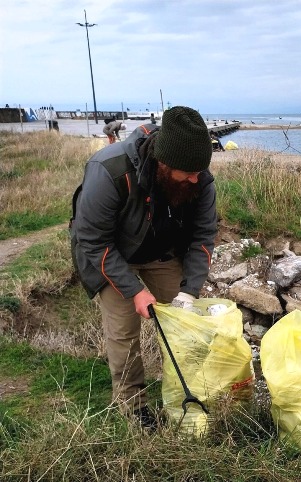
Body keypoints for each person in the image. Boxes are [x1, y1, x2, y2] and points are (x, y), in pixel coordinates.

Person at [70, 106, 217, 428]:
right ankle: (132, 405)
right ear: (164, 163)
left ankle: (184, 391)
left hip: (160, 253)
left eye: (199, 173)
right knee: (124, 332)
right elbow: (93, 240)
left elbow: (203, 236)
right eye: (188, 174)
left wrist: (189, 292)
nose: (196, 179)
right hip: (112, 255)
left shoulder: (200, 177)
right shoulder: (109, 169)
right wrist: (135, 291)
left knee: (185, 323)